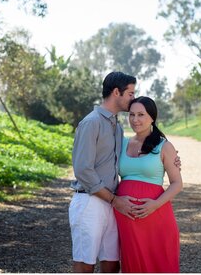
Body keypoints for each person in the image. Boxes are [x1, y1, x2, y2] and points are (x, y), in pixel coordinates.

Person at [69, 71, 138, 273]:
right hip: (89, 202)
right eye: (131, 93)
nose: (133, 99)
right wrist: (114, 200)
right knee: (85, 263)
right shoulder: (92, 122)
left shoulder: (117, 126)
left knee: (112, 263)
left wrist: (166, 153)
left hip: (110, 202)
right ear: (117, 92)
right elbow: (83, 169)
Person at [114, 96, 182, 273]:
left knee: (160, 263)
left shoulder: (164, 146)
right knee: (133, 264)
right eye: (132, 115)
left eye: (141, 115)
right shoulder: (122, 143)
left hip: (156, 215)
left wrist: (155, 205)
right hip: (126, 216)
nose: (135, 120)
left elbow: (177, 183)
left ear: (152, 117)